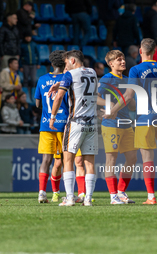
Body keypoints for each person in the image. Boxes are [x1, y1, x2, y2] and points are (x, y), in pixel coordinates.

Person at [104, 38, 157, 204]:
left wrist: (113, 110)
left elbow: (129, 94)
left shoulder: (136, 70)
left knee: (147, 157)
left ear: (140, 51)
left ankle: (151, 196)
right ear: (154, 52)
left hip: (145, 118)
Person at [48, 50, 98, 206]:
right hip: (92, 123)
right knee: (89, 162)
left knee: (68, 159)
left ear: (73, 61)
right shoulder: (93, 72)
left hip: (76, 122)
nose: (66, 66)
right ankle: (88, 199)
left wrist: (53, 117)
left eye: (67, 62)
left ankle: (70, 198)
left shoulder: (69, 75)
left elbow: (59, 97)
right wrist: (60, 82)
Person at [97, 50, 137, 205]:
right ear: (110, 63)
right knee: (111, 160)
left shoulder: (128, 79)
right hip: (111, 124)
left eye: (123, 59)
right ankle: (113, 196)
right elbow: (95, 97)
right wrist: (110, 105)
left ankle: (121, 192)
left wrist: (132, 101)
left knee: (132, 159)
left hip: (127, 123)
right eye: (118, 59)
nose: (122, 61)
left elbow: (132, 106)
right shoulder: (107, 78)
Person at [34, 50, 67, 203]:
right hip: (64, 125)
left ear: (52, 64)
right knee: (64, 161)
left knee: (46, 160)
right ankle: (64, 192)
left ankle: (42, 192)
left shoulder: (42, 79)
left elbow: (37, 103)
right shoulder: (68, 78)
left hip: (46, 125)